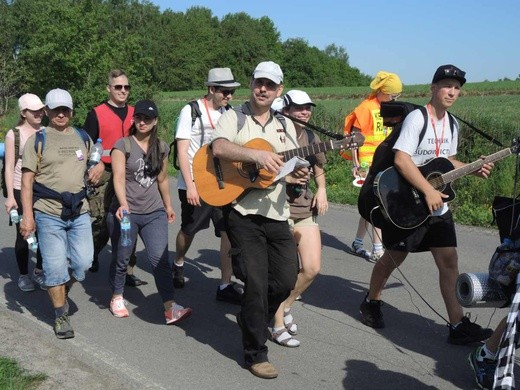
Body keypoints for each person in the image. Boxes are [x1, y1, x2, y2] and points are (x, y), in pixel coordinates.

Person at [359, 64, 494, 345]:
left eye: (457, 88)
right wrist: (426, 190)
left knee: (449, 262)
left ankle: (457, 325)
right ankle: (372, 301)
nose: (452, 92)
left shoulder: (452, 123)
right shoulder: (417, 120)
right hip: (408, 202)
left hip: (437, 205)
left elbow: (446, 162)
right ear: (433, 88)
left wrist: (472, 167)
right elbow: (402, 160)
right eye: (447, 86)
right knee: (394, 257)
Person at [211, 61, 308, 379]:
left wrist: (298, 173)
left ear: (279, 90)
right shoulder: (233, 116)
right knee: (255, 281)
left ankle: (252, 318)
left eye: (270, 85)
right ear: (252, 84)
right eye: (259, 82)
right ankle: (255, 353)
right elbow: (219, 147)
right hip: (242, 212)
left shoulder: (286, 125)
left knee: (285, 279)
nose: (263, 88)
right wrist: (255, 155)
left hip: (277, 213)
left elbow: (288, 166)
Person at [107, 99, 192, 325]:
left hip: (153, 211)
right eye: (139, 117)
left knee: (160, 259)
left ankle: (170, 307)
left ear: (155, 121)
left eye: (148, 118)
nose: (142, 122)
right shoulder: (122, 145)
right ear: (133, 119)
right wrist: (123, 204)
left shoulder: (162, 147)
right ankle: (117, 296)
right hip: (127, 213)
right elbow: (117, 178)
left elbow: (162, 179)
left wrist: (168, 205)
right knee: (122, 256)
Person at [20, 88, 94, 339]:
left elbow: (95, 162)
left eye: (65, 109)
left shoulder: (83, 136)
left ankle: (61, 287)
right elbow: (27, 181)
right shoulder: (37, 140)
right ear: (47, 111)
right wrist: (27, 217)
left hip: (79, 211)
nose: (60, 114)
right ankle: (60, 314)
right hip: (48, 213)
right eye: (55, 109)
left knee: (84, 262)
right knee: (53, 267)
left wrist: (99, 166)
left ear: (71, 111)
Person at [173, 67, 243, 304]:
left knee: (227, 231)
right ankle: (179, 262)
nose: (229, 96)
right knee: (189, 230)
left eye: (232, 92)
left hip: (222, 183)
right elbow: (183, 151)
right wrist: (190, 185)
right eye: (225, 91)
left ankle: (225, 284)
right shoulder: (191, 111)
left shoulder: (229, 113)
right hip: (194, 183)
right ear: (211, 89)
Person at [270, 90, 328, 348]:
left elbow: (319, 167)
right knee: (282, 271)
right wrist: (287, 176)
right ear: (286, 109)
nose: (305, 112)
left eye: (308, 108)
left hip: (303, 205)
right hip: (276, 207)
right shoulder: (275, 133)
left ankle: (283, 305)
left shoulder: (311, 136)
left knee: (312, 267)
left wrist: (323, 190)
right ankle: (276, 323)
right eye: (299, 108)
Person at [83, 69, 143, 287]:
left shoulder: (137, 113)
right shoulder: (96, 113)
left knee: (130, 218)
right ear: (109, 88)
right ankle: (91, 252)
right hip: (104, 172)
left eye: (126, 87)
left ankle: (127, 270)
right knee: (102, 221)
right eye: (118, 87)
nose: (123, 91)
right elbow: (85, 144)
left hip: (129, 172)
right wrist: (95, 162)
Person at [344, 71, 402, 261]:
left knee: (371, 204)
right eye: (393, 95)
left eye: (397, 96)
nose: (395, 99)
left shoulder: (391, 108)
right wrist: (356, 164)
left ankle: (358, 243)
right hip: (367, 164)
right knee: (379, 205)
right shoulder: (366, 108)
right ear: (383, 91)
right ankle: (378, 249)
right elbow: (354, 139)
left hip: (385, 161)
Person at [4, 94, 46, 291]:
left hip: (43, 189)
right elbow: (9, 166)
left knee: (45, 232)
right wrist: (11, 197)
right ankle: (23, 275)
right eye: (34, 110)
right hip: (20, 188)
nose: (39, 113)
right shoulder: (15, 133)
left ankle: (39, 271)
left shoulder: (47, 131)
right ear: (23, 113)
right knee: (24, 233)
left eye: (41, 109)